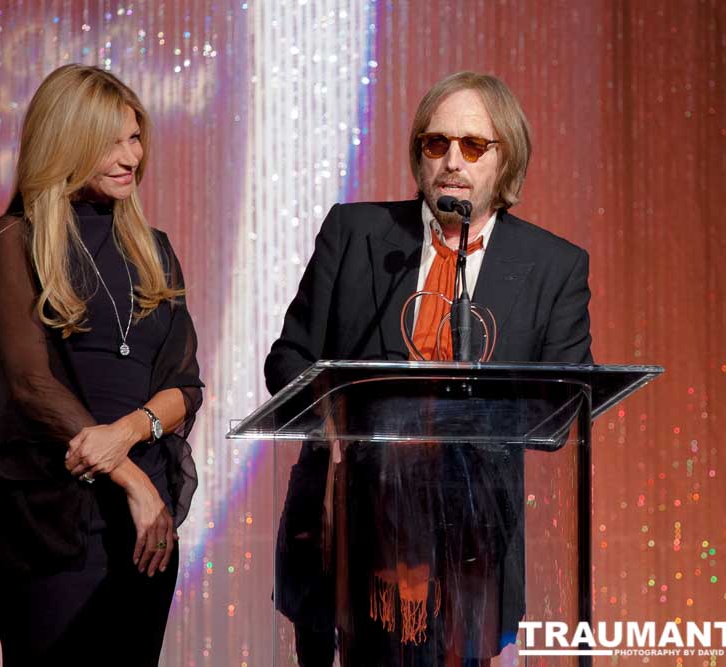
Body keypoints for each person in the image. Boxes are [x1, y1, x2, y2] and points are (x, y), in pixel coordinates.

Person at [265, 71, 592, 666]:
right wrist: (334, 415)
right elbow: (288, 358)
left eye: (473, 146)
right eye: (435, 143)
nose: (451, 161)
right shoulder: (357, 233)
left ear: (507, 159)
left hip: (472, 547)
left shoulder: (553, 266)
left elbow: (565, 405)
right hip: (349, 535)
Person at [0, 64, 202, 666]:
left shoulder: (156, 249)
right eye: (110, 141)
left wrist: (128, 439)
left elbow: (186, 387)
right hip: (52, 521)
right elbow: (28, 384)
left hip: (144, 526)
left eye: (135, 137)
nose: (131, 157)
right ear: (65, 143)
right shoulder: (15, 239)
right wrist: (134, 480)